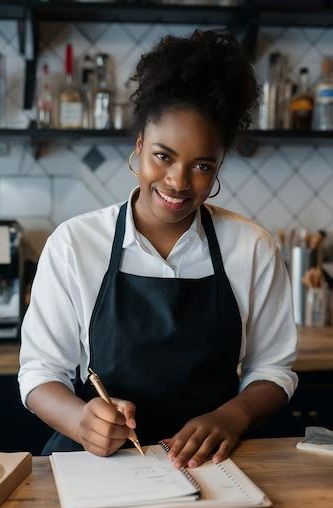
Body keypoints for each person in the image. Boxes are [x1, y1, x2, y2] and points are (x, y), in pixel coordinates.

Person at [18, 29, 297, 469]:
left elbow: (274, 370)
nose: (178, 182)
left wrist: (232, 415)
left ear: (219, 165)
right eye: (163, 156)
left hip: (215, 466)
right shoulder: (74, 245)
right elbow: (39, 373)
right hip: (100, 465)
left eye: (202, 166)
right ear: (140, 147)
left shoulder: (252, 247)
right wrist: (80, 419)